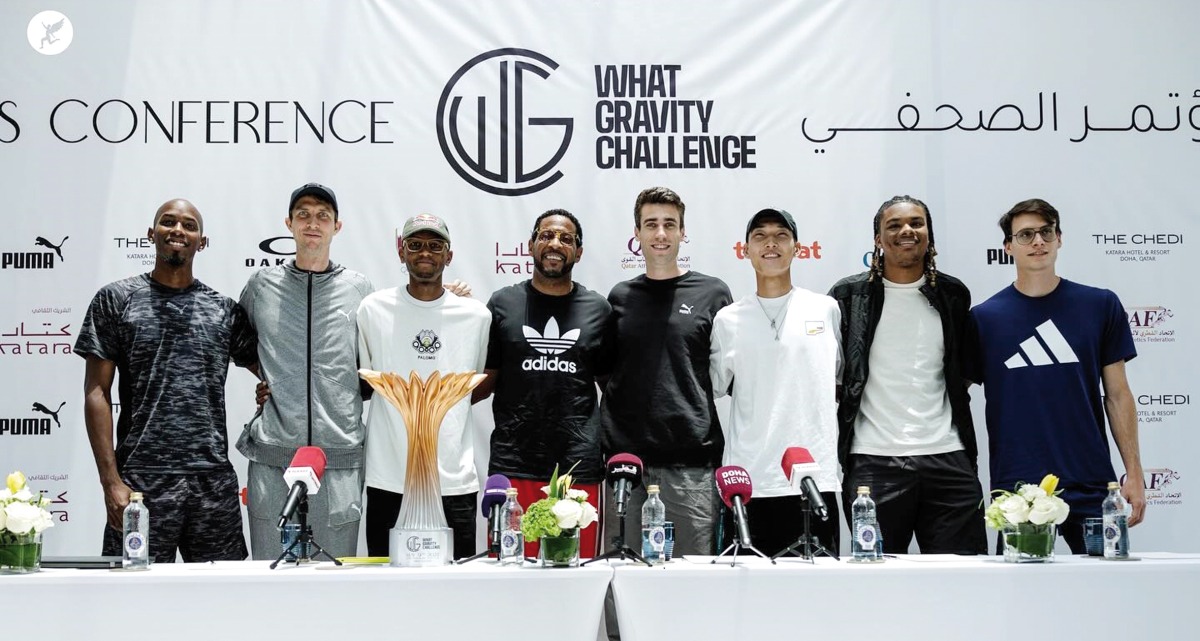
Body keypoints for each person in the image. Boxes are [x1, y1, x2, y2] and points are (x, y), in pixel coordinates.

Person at [77, 199, 257, 562]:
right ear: (151, 234)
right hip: (141, 483)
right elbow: (97, 392)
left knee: (222, 603)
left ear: (201, 242)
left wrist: (269, 387)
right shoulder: (115, 300)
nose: (178, 230)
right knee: (129, 600)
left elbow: (267, 368)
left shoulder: (223, 310)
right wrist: (111, 481)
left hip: (211, 482)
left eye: (189, 225)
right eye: (168, 222)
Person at [968, 198, 1145, 553]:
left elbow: (1118, 394)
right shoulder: (983, 319)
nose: (1038, 242)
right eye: (1026, 234)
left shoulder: (1100, 305)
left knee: (1106, 591)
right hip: (1017, 489)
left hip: (1092, 480)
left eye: (1046, 232)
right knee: (1020, 602)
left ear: (1059, 239)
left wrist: (1134, 473)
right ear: (1008, 247)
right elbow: (954, 397)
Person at [828, 195, 986, 555]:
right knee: (876, 583)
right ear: (878, 239)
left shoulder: (953, 295)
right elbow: (837, 379)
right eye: (894, 225)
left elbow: (960, 374)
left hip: (948, 456)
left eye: (916, 223)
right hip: (872, 463)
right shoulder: (847, 296)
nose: (906, 231)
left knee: (965, 578)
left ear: (929, 233)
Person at [236, 183, 374, 560]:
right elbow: (237, 341)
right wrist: (267, 378)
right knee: (270, 573)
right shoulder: (262, 285)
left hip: (339, 457)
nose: (313, 223)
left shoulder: (359, 289)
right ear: (289, 224)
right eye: (304, 215)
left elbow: (376, 361)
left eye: (323, 216)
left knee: (334, 577)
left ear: (337, 227)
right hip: (273, 456)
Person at [474, 209, 612, 559]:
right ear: (531, 245)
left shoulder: (598, 309)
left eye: (566, 239)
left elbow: (613, 387)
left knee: (575, 577)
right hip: (513, 465)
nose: (555, 244)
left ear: (578, 253)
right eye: (546, 235)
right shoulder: (502, 304)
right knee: (510, 577)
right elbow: (485, 379)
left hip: (577, 471)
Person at [601, 187, 731, 556]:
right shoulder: (619, 297)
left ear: (682, 232)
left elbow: (724, 371)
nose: (660, 234)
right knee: (622, 577)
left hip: (691, 461)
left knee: (694, 577)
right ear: (637, 233)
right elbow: (607, 372)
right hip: (627, 464)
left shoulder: (713, 292)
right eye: (651, 224)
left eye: (669, 225)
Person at [710, 208, 842, 555]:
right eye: (760, 236)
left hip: (815, 478)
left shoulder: (826, 309)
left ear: (797, 248)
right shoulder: (727, 319)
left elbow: (839, 378)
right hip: (751, 481)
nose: (771, 244)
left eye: (781, 235)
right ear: (745, 249)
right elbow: (714, 386)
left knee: (820, 597)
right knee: (752, 599)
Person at [357, 214, 490, 559]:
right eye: (415, 245)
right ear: (401, 252)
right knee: (386, 585)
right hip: (389, 477)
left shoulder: (476, 316)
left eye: (435, 246)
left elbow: (471, 385)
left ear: (449, 255)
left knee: (456, 587)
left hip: (453, 479)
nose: (424, 253)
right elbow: (366, 383)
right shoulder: (372, 310)